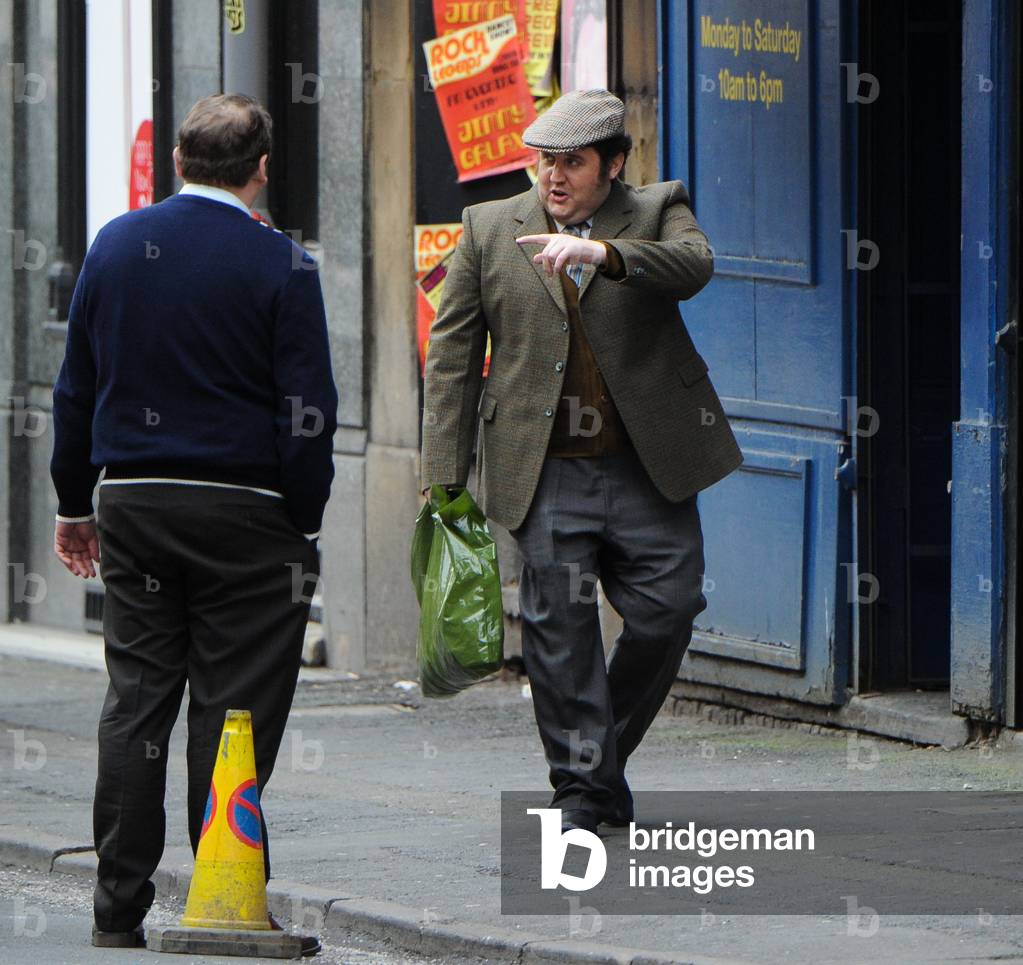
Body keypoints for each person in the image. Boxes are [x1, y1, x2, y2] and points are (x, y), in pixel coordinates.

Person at [50, 93, 337, 952]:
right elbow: (308, 409)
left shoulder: (115, 246)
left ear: (178, 162)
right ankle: (224, 891)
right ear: (260, 171)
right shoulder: (281, 262)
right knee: (235, 708)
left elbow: (74, 386)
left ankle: (116, 905)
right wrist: (305, 521)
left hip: (135, 502)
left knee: (136, 701)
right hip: (249, 513)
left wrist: (74, 501)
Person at [420, 89, 742, 834]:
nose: (553, 177)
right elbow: (453, 357)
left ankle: (593, 766)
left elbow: (695, 266)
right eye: (543, 161)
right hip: (545, 468)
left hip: (645, 466)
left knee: (669, 610)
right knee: (558, 634)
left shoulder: (658, 209)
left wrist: (604, 253)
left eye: (572, 162)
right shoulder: (488, 226)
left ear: (614, 164)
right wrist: (445, 473)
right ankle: (581, 795)